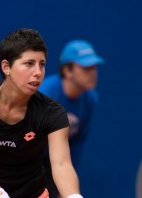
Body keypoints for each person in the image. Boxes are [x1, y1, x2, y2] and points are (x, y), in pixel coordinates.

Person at [0, 28, 83, 198]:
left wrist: (74, 196)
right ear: (6, 67)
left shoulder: (53, 113)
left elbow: (62, 165)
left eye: (42, 64)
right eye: (29, 63)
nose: (38, 72)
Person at [39, 39, 104, 198]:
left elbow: (76, 146)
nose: (93, 73)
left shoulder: (90, 98)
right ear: (67, 71)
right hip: (27, 163)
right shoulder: (44, 94)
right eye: (86, 68)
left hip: (57, 164)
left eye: (94, 67)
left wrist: (65, 189)